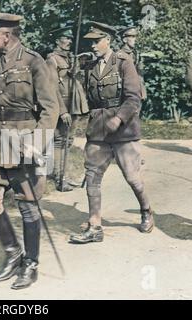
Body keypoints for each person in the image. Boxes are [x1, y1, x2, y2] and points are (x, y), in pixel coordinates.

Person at [0, 11, 59, 289]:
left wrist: (37, 143)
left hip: (26, 141)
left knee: (27, 206)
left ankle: (31, 264)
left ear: (6, 35)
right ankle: (13, 253)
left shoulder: (33, 61)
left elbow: (51, 108)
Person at [69, 22, 154, 244]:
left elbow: (134, 98)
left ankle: (146, 210)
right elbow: (78, 89)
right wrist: (75, 67)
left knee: (133, 178)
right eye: (90, 42)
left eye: (97, 41)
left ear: (108, 40)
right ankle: (95, 226)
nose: (93, 45)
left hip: (124, 130)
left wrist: (119, 118)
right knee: (92, 177)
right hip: (98, 128)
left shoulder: (124, 63)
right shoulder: (88, 65)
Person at [46, 26, 89, 191]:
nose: (69, 41)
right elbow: (52, 87)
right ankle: (59, 177)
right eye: (66, 38)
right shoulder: (52, 60)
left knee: (69, 141)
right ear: (57, 41)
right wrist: (62, 110)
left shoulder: (71, 58)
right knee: (59, 141)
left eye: (71, 38)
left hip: (75, 104)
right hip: (62, 105)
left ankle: (65, 175)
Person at [118, 26, 147, 100]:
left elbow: (139, 75)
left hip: (136, 94)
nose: (136, 39)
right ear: (125, 39)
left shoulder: (135, 55)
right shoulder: (119, 56)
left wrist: (142, 92)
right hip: (124, 95)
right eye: (133, 37)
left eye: (136, 36)